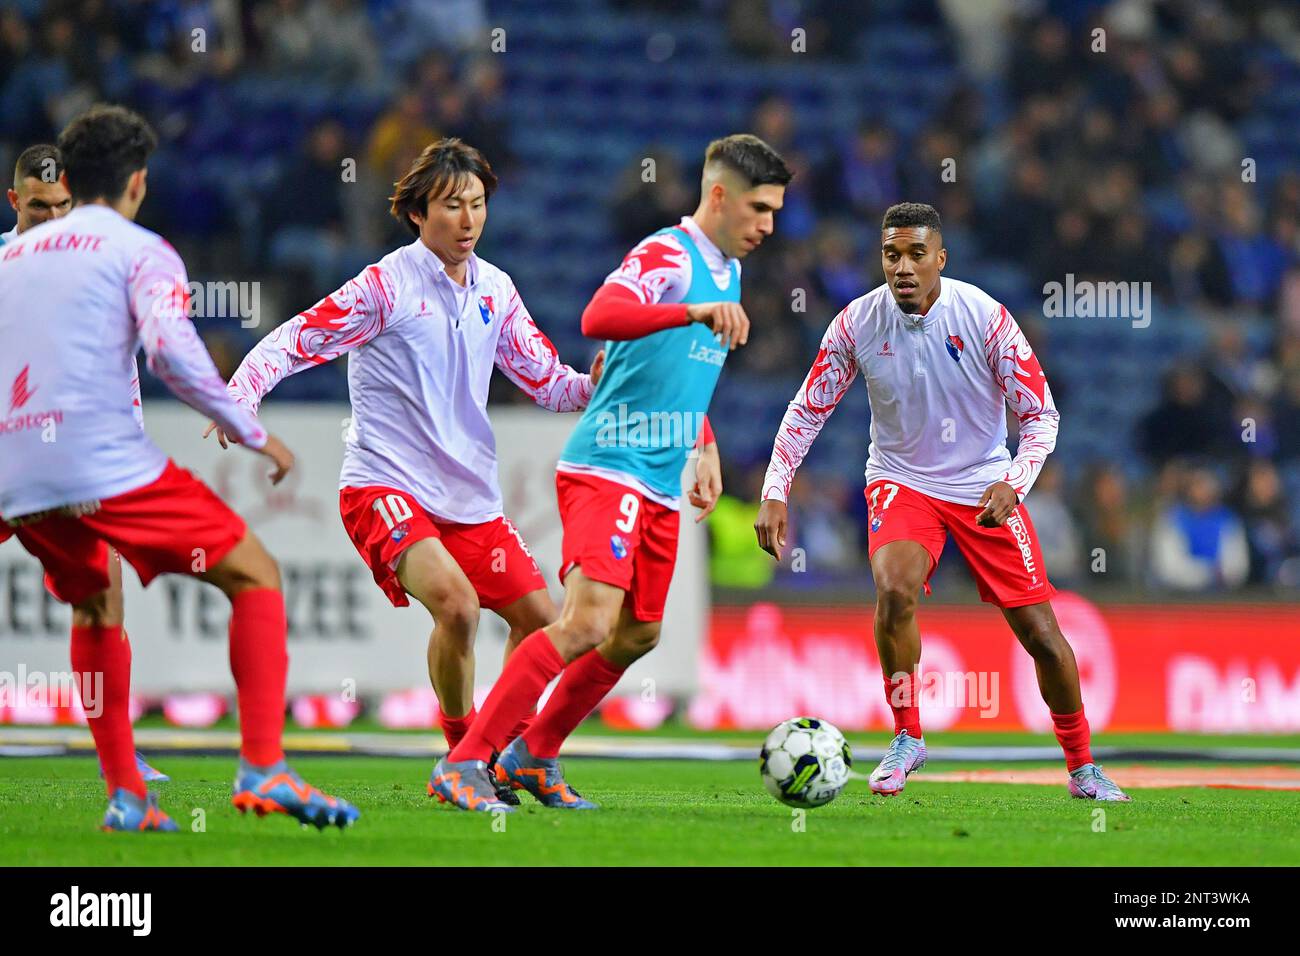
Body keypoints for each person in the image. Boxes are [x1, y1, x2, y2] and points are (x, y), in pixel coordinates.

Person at [0, 104, 359, 832]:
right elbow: (168, 351)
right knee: (255, 573)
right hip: (98, 462)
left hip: (14, 471)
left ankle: (129, 794)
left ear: (66, 179)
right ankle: (264, 768)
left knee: (94, 604)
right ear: (136, 184)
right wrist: (249, 429)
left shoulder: (9, 257)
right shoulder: (142, 249)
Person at [211, 139, 601, 804]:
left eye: (478, 204)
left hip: (468, 498)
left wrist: (594, 387)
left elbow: (545, 382)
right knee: (458, 606)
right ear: (419, 213)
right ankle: (461, 752)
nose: (469, 219)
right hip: (382, 485)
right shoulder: (384, 285)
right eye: (453, 205)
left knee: (543, 621)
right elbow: (294, 337)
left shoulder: (496, 290)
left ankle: (511, 755)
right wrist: (240, 394)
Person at [430, 133, 791, 812]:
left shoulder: (731, 272)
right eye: (760, 209)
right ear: (720, 196)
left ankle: (533, 756)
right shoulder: (667, 254)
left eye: (774, 211)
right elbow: (599, 316)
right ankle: (464, 761)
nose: (769, 225)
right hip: (608, 466)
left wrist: (703, 442)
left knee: (639, 633)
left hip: (658, 478)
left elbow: (678, 370)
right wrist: (690, 308)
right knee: (587, 623)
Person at [754, 202, 1129, 801]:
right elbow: (806, 410)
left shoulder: (985, 318)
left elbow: (1041, 416)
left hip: (983, 482)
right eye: (890, 255)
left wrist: (1015, 482)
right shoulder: (856, 323)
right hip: (901, 480)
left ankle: (1083, 764)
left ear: (940, 259)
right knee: (894, 586)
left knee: (1041, 634)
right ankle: (907, 736)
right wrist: (777, 490)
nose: (902, 268)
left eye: (915, 255)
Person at [1, 142, 165, 783]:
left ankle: (118, 753)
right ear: (15, 201)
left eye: (62, 205)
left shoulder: (103, 269)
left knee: (103, 599)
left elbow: (123, 374)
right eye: (37, 207)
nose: (50, 218)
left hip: (73, 464)